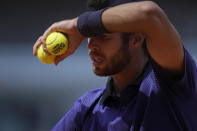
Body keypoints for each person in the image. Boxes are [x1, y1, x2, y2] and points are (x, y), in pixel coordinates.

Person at [33, 0, 197, 130]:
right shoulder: (86, 109)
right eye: (89, 35)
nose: (91, 45)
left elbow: (149, 14)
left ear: (136, 39)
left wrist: (78, 26)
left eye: (103, 36)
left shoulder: (172, 84)